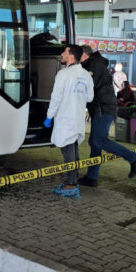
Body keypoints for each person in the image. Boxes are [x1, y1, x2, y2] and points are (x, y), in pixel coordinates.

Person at [78, 45, 136, 188]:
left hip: (103, 108)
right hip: (101, 108)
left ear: (84, 55)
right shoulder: (94, 64)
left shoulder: (94, 65)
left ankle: (134, 158)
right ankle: (92, 177)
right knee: (94, 143)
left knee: (99, 141)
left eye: (79, 56)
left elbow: (89, 86)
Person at [45, 44, 94, 198]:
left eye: (65, 52)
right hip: (77, 120)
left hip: (65, 120)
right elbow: (90, 97)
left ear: (71, 56)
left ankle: (71, 185)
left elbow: (56, 98)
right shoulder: (86, 75)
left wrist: (49, 116)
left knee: (68, 153)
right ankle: (73, 181)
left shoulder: (63, 74)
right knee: (73, 150)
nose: (62, 54)